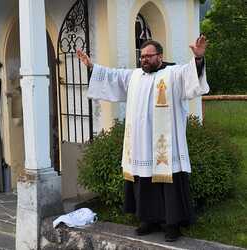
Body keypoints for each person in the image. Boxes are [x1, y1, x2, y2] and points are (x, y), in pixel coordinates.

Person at [77, 35, 209, 242]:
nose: (144, 60)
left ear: (160, 56)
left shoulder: (173, 73)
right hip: (140, 144)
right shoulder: (135, 76)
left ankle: (172, 225)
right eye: (142, 57)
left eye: (149, 56)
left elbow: (192, 76)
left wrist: (199, 59)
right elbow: (112, 77)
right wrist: (91, 66)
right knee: (143, 180)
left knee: (169, 183)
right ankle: (149, 220)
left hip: (165, 145)